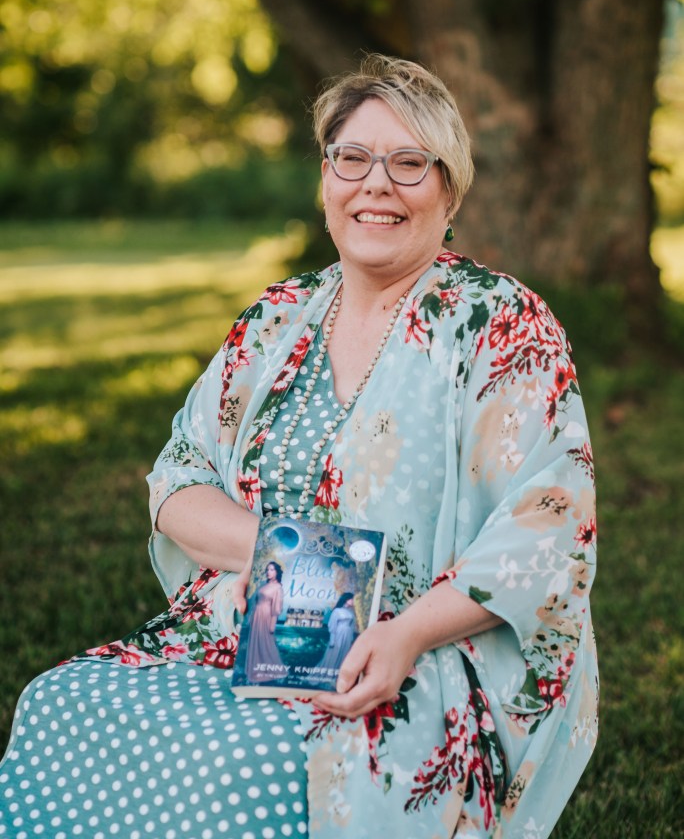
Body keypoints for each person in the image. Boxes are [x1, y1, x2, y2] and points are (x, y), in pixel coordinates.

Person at [0, 54, 598, 839]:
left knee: (237, 770)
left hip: (418, 655)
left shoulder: (498, 322)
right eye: (352, 158)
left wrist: (404, 632)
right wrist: (284, 558)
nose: (375, 183)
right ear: (326, 180)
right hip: (243, 635)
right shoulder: (275, 319)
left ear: (449, 192)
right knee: (60, 705)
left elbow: (551, 523)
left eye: (409, 163)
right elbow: (177, 479)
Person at [244, 561, 288, 683]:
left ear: (277, 572)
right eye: (268, 569)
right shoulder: (264, 585)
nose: (269, 572)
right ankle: (254, 670)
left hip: (266, 615)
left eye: (272, 569)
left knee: (266, 643)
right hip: (257, 615)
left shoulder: (278, 587)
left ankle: (274, 670)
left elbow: (276, 608)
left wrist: (272, 625)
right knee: (255, 643)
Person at [317, 594, 358, 673]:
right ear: (346, 599)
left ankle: (339, 673)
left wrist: (352, 638)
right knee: (335, 652)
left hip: (348, 635)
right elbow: (332, 625)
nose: (353, 601)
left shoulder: (351, 612)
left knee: (344, 653)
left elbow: (352, 625)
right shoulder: (337, 611)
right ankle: (329, 672)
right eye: (351, 599)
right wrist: (332, 640)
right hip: (339, 634)